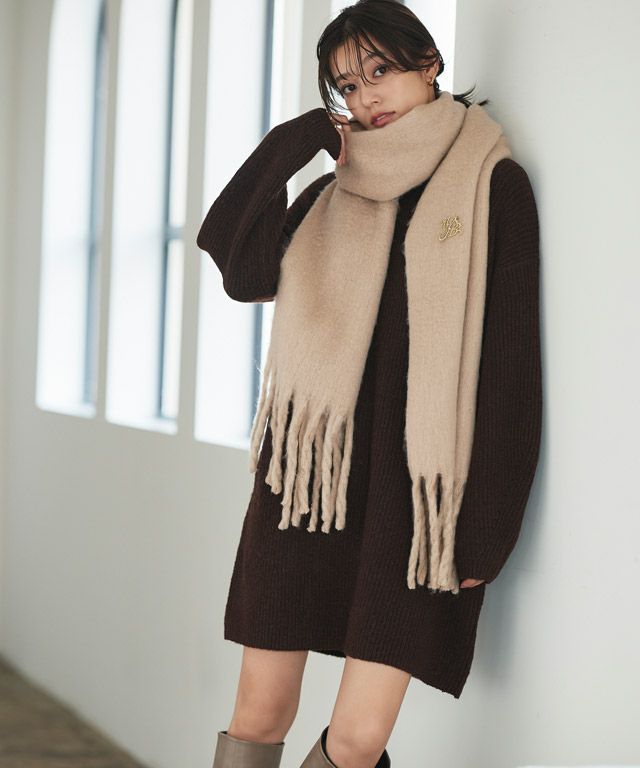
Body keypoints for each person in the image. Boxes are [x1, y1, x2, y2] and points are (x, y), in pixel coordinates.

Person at [197, 1, 542, 766]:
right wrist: (298, 140)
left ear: (430, 62)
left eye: (380, 70)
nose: (367, 96)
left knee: (355, 742)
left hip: (412, 504)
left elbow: (512, 372)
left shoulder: (492, 186)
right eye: (347, 86)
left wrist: (487, 530)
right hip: (309, 485)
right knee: (258, 710)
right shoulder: (332, 194)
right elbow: (238, 264)